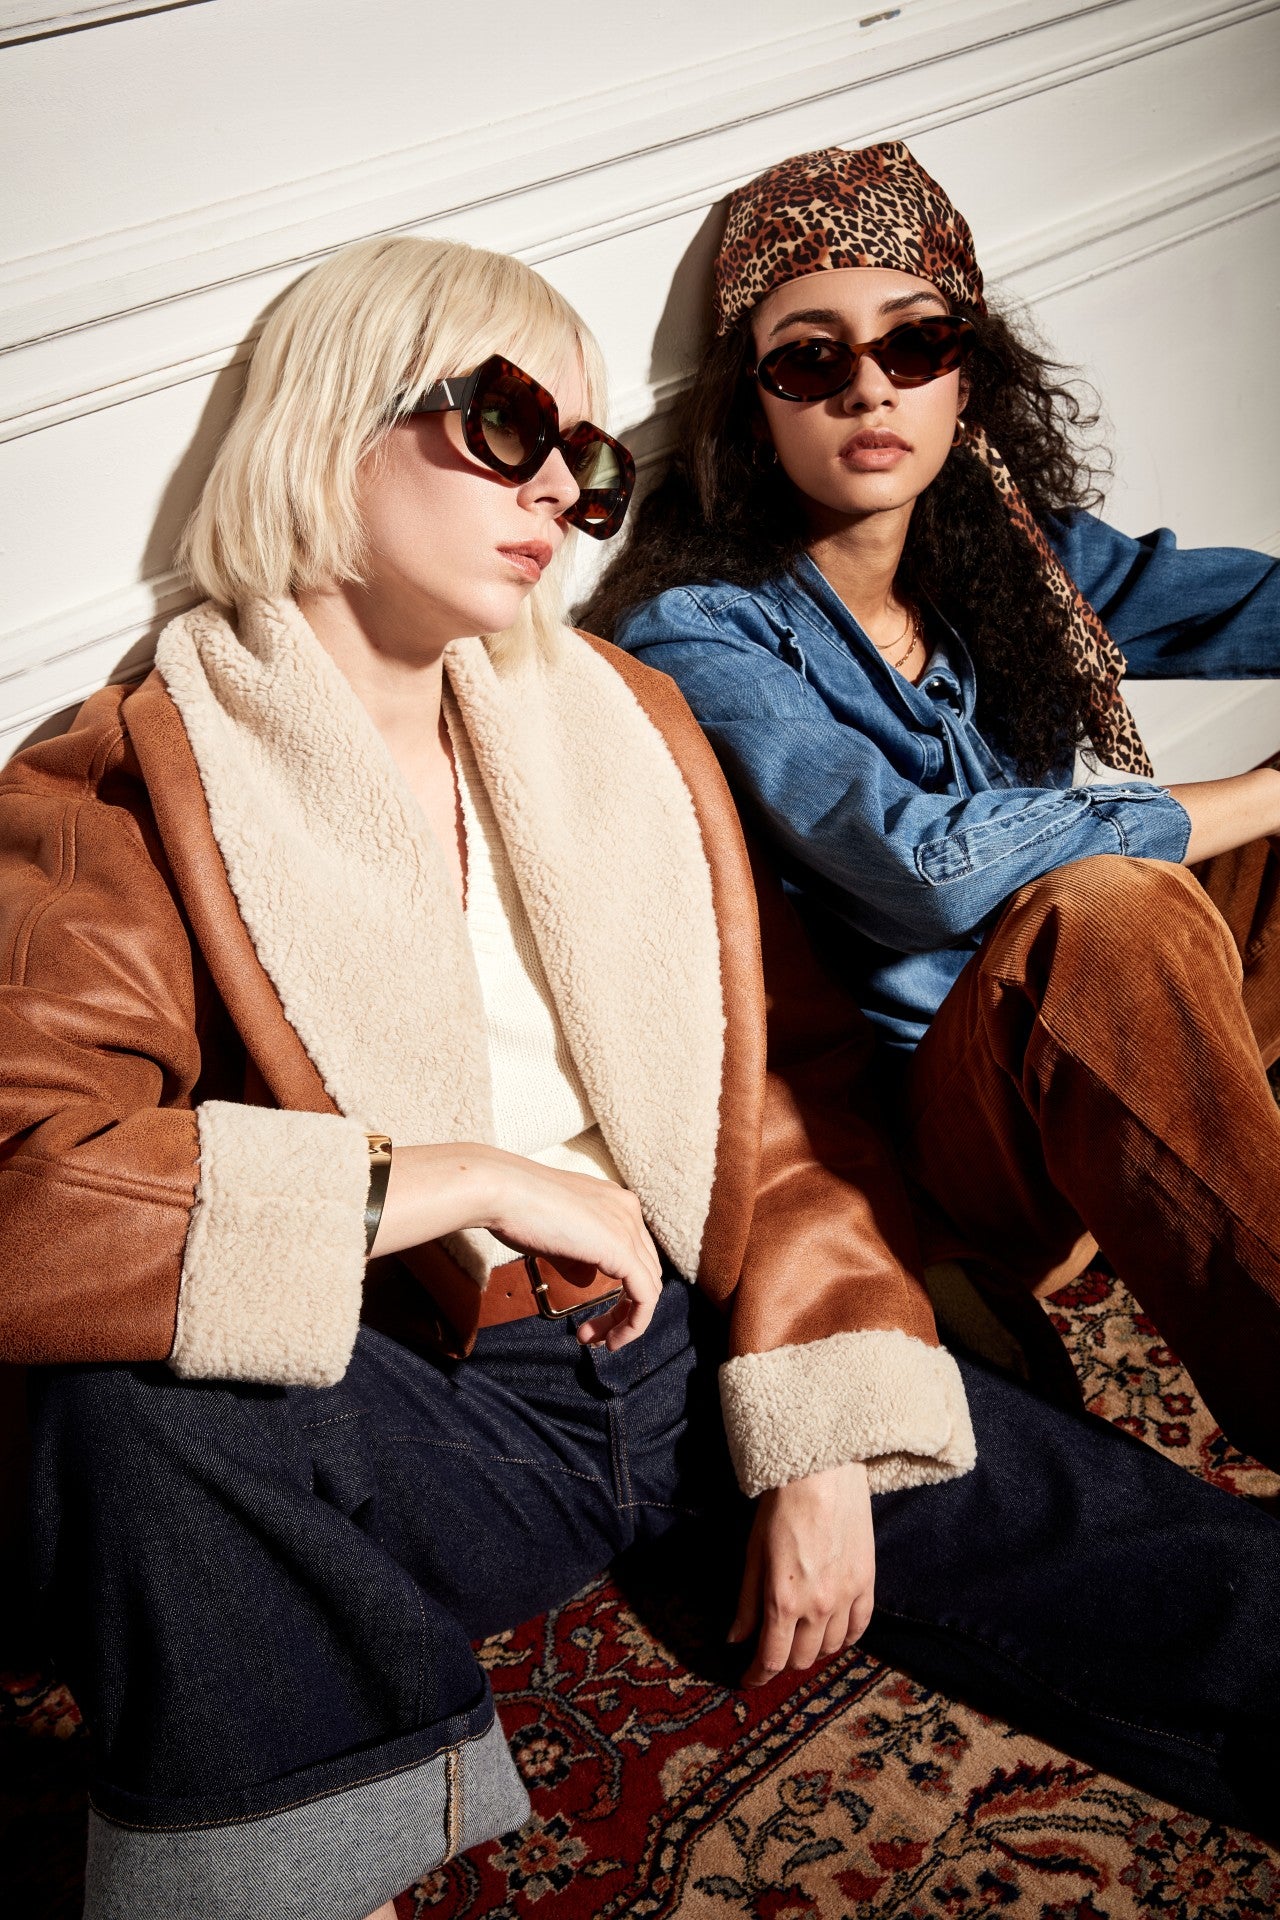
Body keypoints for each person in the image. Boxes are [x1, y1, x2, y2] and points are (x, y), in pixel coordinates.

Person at [1, 232, 1277, 1920]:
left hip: (694, 1345)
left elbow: (790, 1090)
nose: (560, 493)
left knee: (1193, 1581)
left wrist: (822, 1417)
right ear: (330, 422)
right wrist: (459, 1181)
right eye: (508, 425)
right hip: (438, 1407)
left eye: (590, 461)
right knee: (131, 1412)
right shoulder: (128, 780)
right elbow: (32, 1190)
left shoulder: (620, 721)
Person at [588, 140, 1280, 1477]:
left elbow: (1248, 603)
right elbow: (924, 870)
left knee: (1131, 896)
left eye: (916, 343)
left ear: (969, 374)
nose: (870, 387)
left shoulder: (1010, 555)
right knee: (1106, 907)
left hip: (1109, 1045)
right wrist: (1261, 792)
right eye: (810, 359)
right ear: (751, 405)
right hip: (946, 1130)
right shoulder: (704, 631)